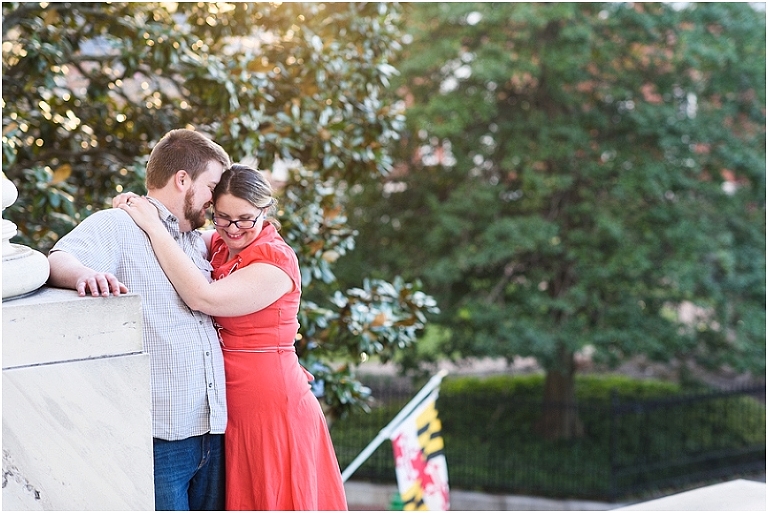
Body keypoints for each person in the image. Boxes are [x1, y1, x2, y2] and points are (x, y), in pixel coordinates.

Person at [114, 164, 348, 511]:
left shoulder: (275, 262)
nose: (233, 229)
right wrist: (134, 207)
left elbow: (202, 297)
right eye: (222, 217)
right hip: (230, 406)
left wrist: (150, 224)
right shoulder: (222, 246)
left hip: (270, 405)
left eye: (245, 219)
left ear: (265, 212)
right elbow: (180, 235)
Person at [46, 128, 231, 511]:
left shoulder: (199, 240)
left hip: (214, 433)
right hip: (161, 440)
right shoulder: (119, 225)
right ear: (183, 180)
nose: (217, 201)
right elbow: (59, 257)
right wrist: (83, 275)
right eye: (212, 186)